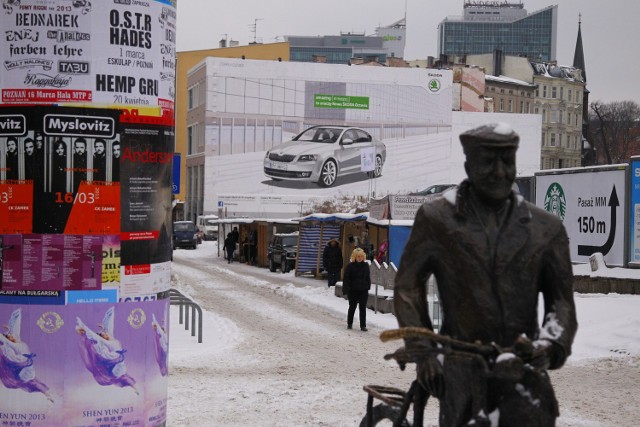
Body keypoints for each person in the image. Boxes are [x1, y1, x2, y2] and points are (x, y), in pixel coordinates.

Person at [393, 123, 577, 426]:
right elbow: (407, 287)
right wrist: (424, 352)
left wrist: (551, 344)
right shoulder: (437, 219)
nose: (500, 172)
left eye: (507, 162)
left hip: (522, 376)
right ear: (468, 165)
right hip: (461, 375)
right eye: (488, 162)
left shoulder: (545, 229)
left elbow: (561, 302)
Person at [342, 247, 371, 332]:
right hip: (353, 290)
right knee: (352, 307)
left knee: (362, 307)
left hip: (363, 290)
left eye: (361, 256)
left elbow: (367, 277)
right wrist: (346, 289)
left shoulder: (366, 265)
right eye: (358, 256)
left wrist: (367, 286)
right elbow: (346, 278)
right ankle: (349, 323)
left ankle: (363, 326)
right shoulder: (350, 266)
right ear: (354, 257)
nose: (360, 258)